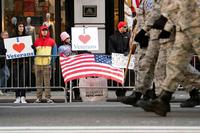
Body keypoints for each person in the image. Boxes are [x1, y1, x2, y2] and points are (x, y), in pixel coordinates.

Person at [139, 0, 200, 116]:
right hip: (183, 24)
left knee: (176, 63)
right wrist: (166, 26)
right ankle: (163, 99)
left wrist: (164, 20)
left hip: (196, 21)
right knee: (175, 63)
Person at [33, 25, 57, 103]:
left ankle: (48, 98)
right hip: (38, 64)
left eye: (46, 30)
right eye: (43, 30)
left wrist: (52, 63)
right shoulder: (36, 41)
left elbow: (54, 53)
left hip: (47, 64)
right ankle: (38, 98)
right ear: (40, 31)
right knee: (38, 82)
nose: (44, 32)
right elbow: (33, 52)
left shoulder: (52, 41)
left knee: (47, 82)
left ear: (48, 31)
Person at [108, 21, 131, 97]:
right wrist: (116, 55)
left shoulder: (128, 36)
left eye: (126, 27)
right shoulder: (113, 37)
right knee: (118, 75)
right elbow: (111, 48)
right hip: (117, 60)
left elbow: (130, 46)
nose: (126, 28)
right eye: (124, 27)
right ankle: (118, 91)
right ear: (120, 28)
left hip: (125, 59)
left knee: (126, 76)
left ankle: (124, 91)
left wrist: (127, 51)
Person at [58, 31, 81, 101]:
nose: (69, 39)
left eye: (69, 38)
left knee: (76, 80)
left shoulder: (73, 45)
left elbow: (76, 53)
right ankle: (68, 95)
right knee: (67, 82)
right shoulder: (61, 48)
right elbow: (60, 56)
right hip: (67, 66)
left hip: (74, 65)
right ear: (64, 40)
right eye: (67, 38)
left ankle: (77, 95)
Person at [12, 22, 29, 103]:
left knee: (23, 79)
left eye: (22, 26)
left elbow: (30, 48)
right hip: (15, 61)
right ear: (17, 27)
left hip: (24, 61)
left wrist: (31, 47)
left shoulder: (26, 37)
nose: (21, 28)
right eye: (20, 26)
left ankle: (23, 96)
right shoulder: (13, 37)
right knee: (16, 79)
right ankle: (17, 96)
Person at [0, 31, 10, 95]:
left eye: (7, 35)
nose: (7, 36)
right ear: (2, 36)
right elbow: (1, 51)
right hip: (1, 62)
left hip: (4, 62)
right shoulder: (1, 42)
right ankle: (1, 89)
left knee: (5, 75)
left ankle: (2, 90)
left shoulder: (7, 42)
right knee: (6, 74)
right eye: (5, 35)